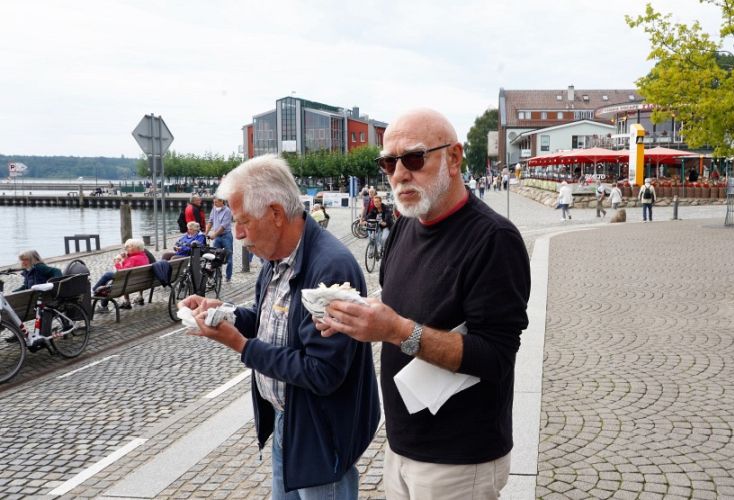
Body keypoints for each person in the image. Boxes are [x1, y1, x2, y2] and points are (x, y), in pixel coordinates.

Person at [319, 108, 531, 500]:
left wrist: (397, 331)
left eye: (414, 158)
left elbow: (496, 357)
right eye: (388, 163)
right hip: (401, 443)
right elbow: (398, 304)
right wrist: (353, 316)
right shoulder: (405, 224)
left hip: (459, 457)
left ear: (454, 157)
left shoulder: (494, 239)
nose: (399, 174)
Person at [180, 154, 380, 499]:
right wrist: (224, 312)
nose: (237, 233)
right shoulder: (275, 257)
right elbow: (268, 318)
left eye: (242, 221)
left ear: (275, 214)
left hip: (321, 434)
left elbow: (322, 372)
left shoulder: (330, 268)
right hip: (287, 421)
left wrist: (241, 346)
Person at [93, 239, 150, 313]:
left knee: (108, 276)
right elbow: (128, 270)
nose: (126, 249)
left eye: (129, 247)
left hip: (127, 283)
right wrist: (126, 259)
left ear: (137, 248)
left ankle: (95, 291)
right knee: (111, 281)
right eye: (126, 247)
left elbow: (122, 273)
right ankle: (102, 300)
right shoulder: (144, 256)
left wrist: (117, 262)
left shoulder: (133, 259)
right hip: (138, 283)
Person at [207, 196, 234, 282]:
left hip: (226, 236)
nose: (214, 204)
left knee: (229, 256)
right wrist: (206, 233)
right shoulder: (214, 209)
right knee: (215, 256)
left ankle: (228, 277)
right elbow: (210, 221)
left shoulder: (227, 211)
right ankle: (216, 275)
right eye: (214, 202)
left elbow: (223, 226)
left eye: (216, 202)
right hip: (217, 237)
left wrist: (214, 235)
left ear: (222, 201)